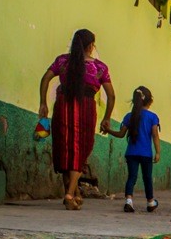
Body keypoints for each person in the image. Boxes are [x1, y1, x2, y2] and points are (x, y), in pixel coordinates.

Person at [39, 29, 115, 211]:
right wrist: (106, 118)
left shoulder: (62, 61)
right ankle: (69, 194)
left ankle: (72, 193)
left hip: (63, 105)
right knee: (81, 150)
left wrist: (43, 103)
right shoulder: (100, 67)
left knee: (64, 148)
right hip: (86, 107)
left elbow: (46, 78)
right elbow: (111, 96)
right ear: (91, 46)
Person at [103, 86, 160, 213]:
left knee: (132, 177)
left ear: (134, 101)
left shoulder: (129, 116)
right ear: (150, 101)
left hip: (131, 153)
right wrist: (158, 152)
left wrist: (108, 130)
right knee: (147, 178)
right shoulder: (152, 117)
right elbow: (155, 135)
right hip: (146, 154)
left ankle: (129, 200)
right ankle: (150, 202)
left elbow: (121, 134)